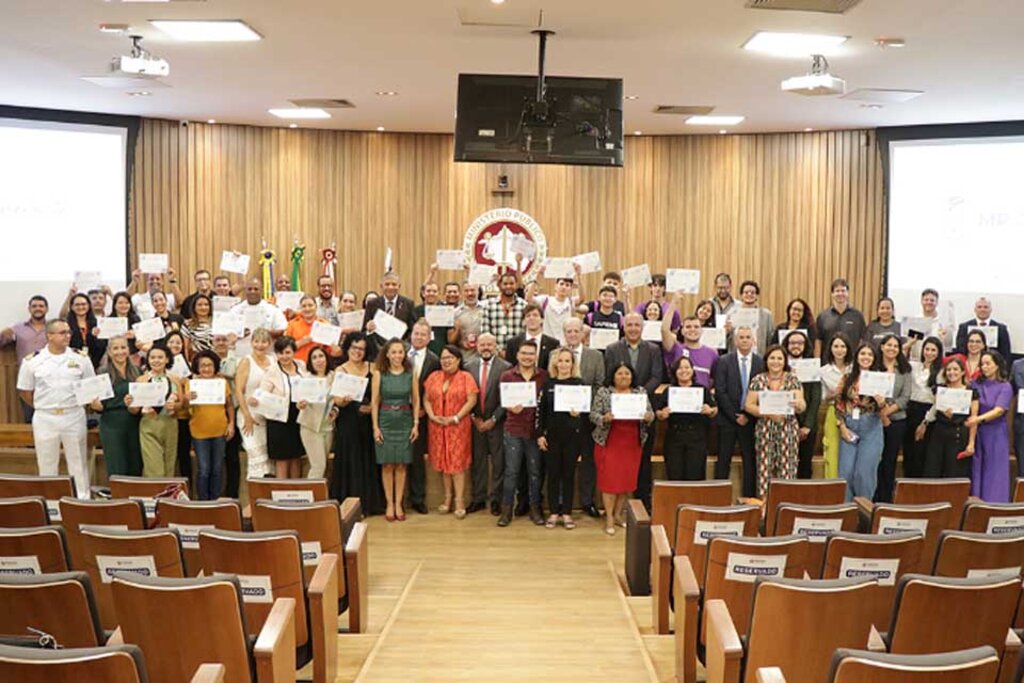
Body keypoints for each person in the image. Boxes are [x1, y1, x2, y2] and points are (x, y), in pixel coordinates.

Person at [16, 319, 96, 497]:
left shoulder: (80, 358)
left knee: (78, 461)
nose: (67, 336)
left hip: (73, 414)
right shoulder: (33, 361)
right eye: (62, 333)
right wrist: (41, 406)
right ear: (49, 336)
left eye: (68, 332)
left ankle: (82, 500)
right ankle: (50, 502)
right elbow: (24, 390)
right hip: (45, 417)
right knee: (47, 462)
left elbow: (90, 386)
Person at [605, 312, 664, 509]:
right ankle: (619, 506)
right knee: (620, 462)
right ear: (624, 326)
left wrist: (637, 394)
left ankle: (643, 501)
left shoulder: (654, 349)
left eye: (636, 325)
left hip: (644, 409)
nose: (632, 328)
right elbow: (608, 377)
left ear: (642, 327)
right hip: (619, 415)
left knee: (644, 459)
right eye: (629, 325)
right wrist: (626, 395)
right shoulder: (612, 349)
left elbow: (657, 376)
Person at [590, 362, 654, 535]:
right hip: (609, 442)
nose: (624, 376)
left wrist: (648, 416)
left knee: (626, 482)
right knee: (610, 482)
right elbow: (593, 415)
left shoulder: (639, 392)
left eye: (627, 373)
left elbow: (651, 414)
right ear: (613, 376)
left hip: (632, 443)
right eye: (619, 373)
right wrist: (604, 418)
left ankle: (618, 515)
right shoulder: (604, 392)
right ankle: (609, 518)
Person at [331, 333, 384, 514]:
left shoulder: (374, 367)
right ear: (347, 348)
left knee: (367, 461)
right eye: (354, 347)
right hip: (348, 422)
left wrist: (372, 408)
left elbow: (379, 396)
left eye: (361, 348)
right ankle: (350, 507)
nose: (357, 352)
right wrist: (344, 401)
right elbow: (337, 401)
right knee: (350, 461)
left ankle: (369, 505)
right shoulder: (340, 370)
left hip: (369, 422)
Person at [423, 345, 478, 519]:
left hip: (458, 426)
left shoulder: (466, 377)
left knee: (457, 463)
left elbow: (472, 400)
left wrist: (456, 417)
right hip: (437, 426)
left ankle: (459, 500)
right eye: (443, 358)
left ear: (458, 360)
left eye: (450, 358)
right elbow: (426, 399)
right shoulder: (433, 377)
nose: (446, 361)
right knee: (443, 462)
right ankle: (447, 498)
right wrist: (432, 416)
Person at [744, 345, 806, 498]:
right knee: (764, 471)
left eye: (779, 358)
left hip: (788, 430)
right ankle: (765, 511)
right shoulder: (758, 379)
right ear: (766, 360)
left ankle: (786, 508)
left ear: (785, 361)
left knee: (788, 470)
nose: (776, 361)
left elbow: (802, 404)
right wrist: (769, 413)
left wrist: (799, 405)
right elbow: (748, 405)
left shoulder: (793, 379)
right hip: (765, 429)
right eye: (772, 358)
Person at [497, 340, 547, 527]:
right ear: (517, 355)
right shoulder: (507, 376)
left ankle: (535, 509)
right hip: (513, 429)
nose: (527, 357)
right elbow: (503, 401)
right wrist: (510, 406)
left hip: (534, 432)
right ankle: (507, 510)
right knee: (511, 472)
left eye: (531, 354)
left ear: (536, 356)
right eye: (524, 353)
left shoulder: (543, 375)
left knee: (535, 472)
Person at [537, 347, 588, 528]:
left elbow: (586, 416)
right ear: (555, 363)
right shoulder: (548, 384)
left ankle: (566, 513)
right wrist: (540, 435)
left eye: (568, 361)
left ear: (573, 364)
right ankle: (553, 513)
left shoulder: (580, 384)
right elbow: (540, 412)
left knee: (568, 475)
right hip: (552, 437)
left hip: (572, 438)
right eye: (561, 360)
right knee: (553, 475)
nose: (564, 364)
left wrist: (578, 414)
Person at [371, 338, 419, 522]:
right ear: (387, 354)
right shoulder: (379, 373)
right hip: (385, 419)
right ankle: (389, 503)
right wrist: (375, 427)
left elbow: (415, 399)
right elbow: (375, 402)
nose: (397, 355)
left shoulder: (410, 373)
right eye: (394, 352)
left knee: (401, 464)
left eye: (400, 352)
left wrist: (415, 424)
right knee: (387, 464)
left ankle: (399, 503)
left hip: (405, 420)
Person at [714, 327, 764, 498]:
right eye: (741, 337)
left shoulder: (761, 362)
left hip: (751, 420)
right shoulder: (724, 361)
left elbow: (762, 393)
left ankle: (749, 499)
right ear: (735, 341)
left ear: (753, 341)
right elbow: (720, 391)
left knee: (750, 462)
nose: (744, 340)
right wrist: (735, 415)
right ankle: (718, 498)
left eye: (748, 337)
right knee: (723, 461)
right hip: (728, 420)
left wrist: (748, 415)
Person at [562, 318, 605, 517]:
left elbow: (599, 385)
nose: (572, 334)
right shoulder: (556, 355)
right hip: (562, 419)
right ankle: (563, 503)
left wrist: (584, 406)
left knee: (589, 460)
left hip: (587, 418)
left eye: (575, 331)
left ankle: (587, 502)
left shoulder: (595, 356)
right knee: (564, 460)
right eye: (568, 331)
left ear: (582, 333)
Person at [465, 333, 511, 514]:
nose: (486, 347)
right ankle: (478, 498)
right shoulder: (468, 367)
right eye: (482, 344)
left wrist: (493, 419)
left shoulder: (506, 368)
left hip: (497, 422)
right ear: (476, 346)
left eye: (489, 344)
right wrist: (474, 418)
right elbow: (465, 395)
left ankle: (496, 500)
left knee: (499, 463)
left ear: (496, 346)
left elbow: (506, 398)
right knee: (478, 463)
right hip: (475, 422)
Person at [835, 343, 885, 501]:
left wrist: (881, 402)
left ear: (874, 359)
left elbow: (886, 411)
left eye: (870, 355)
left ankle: (863, 512)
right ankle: (847, 511)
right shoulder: (846, 378)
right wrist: (842, 427)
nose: (866, 357)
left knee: (864, 474)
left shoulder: (881, 379)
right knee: (846, 472)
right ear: (857, 357)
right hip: (849, 427)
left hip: (871, 428)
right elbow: (838, 404)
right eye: (863, 354)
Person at [653, 356, 717, 481]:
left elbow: (714, 410)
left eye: (687, 367)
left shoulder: (702, 390)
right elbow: (658, 412)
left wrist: (710, 410)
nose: (684, 371)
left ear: (692, 370)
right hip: (674, 438)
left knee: (695, 476)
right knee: (674, 475)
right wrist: (662, 414)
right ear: (675, 372)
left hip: (697, 438)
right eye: (680, 368)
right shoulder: (669, 391)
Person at [184, 350, 234, 500]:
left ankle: (215, 500)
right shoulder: (190, 384)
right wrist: (187, 399)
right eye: (203, 365)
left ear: (215, 366)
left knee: (217, 469)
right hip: (199, 432)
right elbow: (186, 408)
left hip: (220, 431)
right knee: (204, 469)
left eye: (210, 365)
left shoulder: (222, 383)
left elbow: (229, 406)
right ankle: (202, 501)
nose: (206, 368)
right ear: (197, 367)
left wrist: (231, 424)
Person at [92, 337, 143, 478]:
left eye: (123, 347)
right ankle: (119, 499)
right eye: (115, 348)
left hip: (134, 422)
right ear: (109, 352)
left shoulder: (138, 372)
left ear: (128, 350)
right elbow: (98, 405)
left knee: (135, 464)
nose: (120, 351)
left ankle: (134, 499)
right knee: (116, 465)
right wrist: (96, 406)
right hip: (111, 424)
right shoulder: (102, 373)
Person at [257, 336, 306, 479]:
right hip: (279, 418)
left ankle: (297, 494)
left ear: (293, 352)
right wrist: (256, 399)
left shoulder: (301, 366)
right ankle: (281, 495)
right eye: (280, 353)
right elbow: (262, 392)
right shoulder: (271, 371)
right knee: (282, 458)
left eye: (287, 352)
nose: (284, 356)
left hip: (298, 416)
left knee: (296, 457)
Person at [131, 343, 183, 478]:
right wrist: (129, 404)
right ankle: (151, 497)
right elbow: (134, 410)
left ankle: (166, 498)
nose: (156, 360)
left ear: (167, 359)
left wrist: (175, 406)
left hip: (170, 424)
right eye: (152, 357)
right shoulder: (141, 380)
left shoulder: (175, 380)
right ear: (148, 360)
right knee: (154, 468)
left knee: (169, 466)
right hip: (149, 425)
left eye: (160, 357)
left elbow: (181, 404)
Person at [921, 357, 978, 479]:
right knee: (932, 470)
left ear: (963, 372)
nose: (952, 372)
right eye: (949, 370)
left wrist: (971, 443)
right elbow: (935, 409)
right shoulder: (940, 389)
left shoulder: (971, 391)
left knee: (955, 473)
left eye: (956, 369)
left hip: (958, 435)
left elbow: (974, 419)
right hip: (939, 434)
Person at [873, 334, 913, 503]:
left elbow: (905, 397)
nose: (892, 348)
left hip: (897, 421)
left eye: (895, 346)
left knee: (889, 461)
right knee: (874, 460)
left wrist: (887, 412)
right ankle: (871, 496)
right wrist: (881, 414)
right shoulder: (873, 367)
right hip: (874, 420)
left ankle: (886, 499)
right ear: (882, 346)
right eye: (888, 345)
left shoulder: (904, 369)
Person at [969, 351, 1012, 501]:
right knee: (976, 470)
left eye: (988, 364)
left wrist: (978, 419)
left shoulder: (1005, 386)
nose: (984, 367)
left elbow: (999, 410)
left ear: (997, 365)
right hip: (977, 433)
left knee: (994, 471)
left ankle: (995, 505)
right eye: (982, 364)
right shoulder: (975, 384)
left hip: (995, 433)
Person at [407, 319, 440, 514]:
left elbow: (434, 389)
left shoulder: (434, 360)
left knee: (417, 458)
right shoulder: (398, 353)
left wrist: (423, 410)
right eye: (416, 333)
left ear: (429, 338)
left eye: (423, 334)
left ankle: (417, 498)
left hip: (421, 415)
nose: (419, 337)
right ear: (411, 334)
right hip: (397, 413)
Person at [1, 295, 50, 422]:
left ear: (47, 309)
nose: (37, 308)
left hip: (50, 376)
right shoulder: (18, 328)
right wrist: (2, 334)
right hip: (26, 377)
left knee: (49, 415)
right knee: (30, 417)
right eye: (34, 306)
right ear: (29, 309)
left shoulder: (53, 327)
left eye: (41, 306)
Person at [233, 328, 274, 480]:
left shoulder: (273, 361)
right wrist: (247, 416)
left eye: (264, 341)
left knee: (268, 460)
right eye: (256, 341)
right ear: (251, 343)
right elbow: (238, 390)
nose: (260, 345)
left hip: (267, 416)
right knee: (255, 456)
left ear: (269, 343)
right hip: (248, 415)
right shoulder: (246, 361)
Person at [782, 331, 821, 479]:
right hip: (784, 423)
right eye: (792, 343)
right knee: (786, 463)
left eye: (800, 343)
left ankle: (804, 500)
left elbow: (816, 398)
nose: (796, 346)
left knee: (805, 464)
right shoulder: (779, 363)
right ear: (786, 345)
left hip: (807, 424)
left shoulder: (812, 365)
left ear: (805, 345)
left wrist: (807, 426)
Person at [904, 336, 943, 478]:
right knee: (909, 452)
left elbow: (938, 400)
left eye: (933, 350)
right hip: (911, 411)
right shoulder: (914, 366)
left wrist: (926, 421)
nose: (929, 353)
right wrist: (909, 344)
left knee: (923, 454)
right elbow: (899, 360)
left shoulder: (941, 372)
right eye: (927, 349)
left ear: (939, 353)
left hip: (929, 414)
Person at [661, 294, 718, 389]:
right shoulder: (675, 348)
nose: (692, 329)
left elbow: (713, 379)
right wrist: (673, 303)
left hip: (702, 400)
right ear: (682, 331)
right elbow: (664, 330)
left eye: (696, 327)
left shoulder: (712, 353)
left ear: (702, 330)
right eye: (688, 327)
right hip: (678, 398)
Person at [298, 346, 336, 479]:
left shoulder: (333, 376)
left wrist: (335, 410)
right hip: (310, 427)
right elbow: (299, 402)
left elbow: (336, 401)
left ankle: (319, 496)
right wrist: (301, 404)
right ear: (310, 362)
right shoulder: (306, 379)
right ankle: (310, 498)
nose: (318, 360)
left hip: (327, 427)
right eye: (314, 357)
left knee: (323, 466)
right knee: (318, 466)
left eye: (321, 356)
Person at [211, 332, 242, 496]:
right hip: (212, 411)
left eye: (224, 340)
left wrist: (224, 376)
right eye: (218, 340)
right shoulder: (207, 360)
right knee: (215, 457)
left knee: (232, 455)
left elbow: (240, 380)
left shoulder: (236, 361)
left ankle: (232, 493)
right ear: (212, 342)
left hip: (233, 409)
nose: (221, 343)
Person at [819, 333, 853, 479]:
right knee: (832, 452)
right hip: (833, 411)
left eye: (843, 346)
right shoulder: (823, 371)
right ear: (830, 349)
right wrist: (836, 393)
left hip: (853, 412)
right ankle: (832, 489)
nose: (839, 350)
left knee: (850, 452)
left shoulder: (855, 368)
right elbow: (823, 397)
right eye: (836, 346)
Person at [526, 261, 582, 343]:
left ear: (570, 288)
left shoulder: (570, 301)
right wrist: (538, 277)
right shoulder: (545, 300)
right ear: (556, 286)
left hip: (565, 343)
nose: (564, 287)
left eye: (567, 285)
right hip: (547, 342)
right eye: (561, 284)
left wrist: (579, 276)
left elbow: (582, 298)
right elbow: (529, 298)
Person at [815, 278, 866, 361]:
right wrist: (816, 362)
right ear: (832, 294)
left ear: (848, 293)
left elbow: (862, 340)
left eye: (843, 291)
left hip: (851, 363)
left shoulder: (858, 316)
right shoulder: (823, 316)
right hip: (828, 364)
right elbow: (818, 342)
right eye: (837, 291)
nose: (840, 293)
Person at [363, 271, 416, 344]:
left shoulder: (408, 304)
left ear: (399, 286)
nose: (390, 287)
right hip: (377, 348)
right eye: (387, 284)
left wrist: (404, 345)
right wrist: (368, 329)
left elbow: (412, 330)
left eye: (394, 284)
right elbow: (364, 330)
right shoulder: (372, 304)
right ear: (381, 286)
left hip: (401, 349)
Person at [505, 303, 559, 371]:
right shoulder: (512, 343)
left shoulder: (553, 344)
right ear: (523, 321)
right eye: (528, 316)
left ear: (542, 320)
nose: (531, 318)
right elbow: (510, 369)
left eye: (535, 315)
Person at [481, 271, 527, 350]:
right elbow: (485, 332)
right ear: (499, 285)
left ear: (516, 285)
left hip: (518, 352)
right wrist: (498, 351)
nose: (508, 286)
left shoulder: (524, 306)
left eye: (511, 283)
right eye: (505, 284)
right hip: (495, 353)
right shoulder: (489, 305)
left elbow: (526, 332)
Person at [956, 297, 1011, 361]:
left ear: (990, 310)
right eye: (979, 307)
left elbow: (1005, 354)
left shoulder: (1001, 329)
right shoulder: (964, 327)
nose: (982, 309)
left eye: (985, 307)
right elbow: (960, 351)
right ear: (975, 309)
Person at [727, 280, 773, 354]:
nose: (749, 294)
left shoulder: (766, 314)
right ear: (741, 295)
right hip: (736, 354)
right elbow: (728, 338)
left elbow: (770, 337)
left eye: (752, 292)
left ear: (757, 296)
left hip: (759, 354)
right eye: (746, 292)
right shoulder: (732, 313)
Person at [285, 295, 328, 365]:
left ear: (316, 307)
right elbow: (285, 349)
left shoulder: (325, 325)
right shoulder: (292, 324)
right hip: (297, 366)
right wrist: (301, 342)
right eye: (304, 306)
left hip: (319, 366)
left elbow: (330, 351)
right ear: (300, 308)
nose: (307, 309)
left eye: (310, 305)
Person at [449, 281, 484, 363]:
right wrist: (461, 342)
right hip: (464, 358)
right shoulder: (455, 313)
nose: (470, 293)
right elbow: (450, 340)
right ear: (462, 293)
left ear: (478, 291)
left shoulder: (487, 309)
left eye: (472, 290)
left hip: (483, 357)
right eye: (466, 291)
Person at [67, 292, 103, 368]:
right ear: (72, 307)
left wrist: (93, 336)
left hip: (94, 364)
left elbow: (102, 347)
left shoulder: (97, 324)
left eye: (83, 304)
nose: (81, 307)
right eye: (77, 305)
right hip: (72, 364)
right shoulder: (66, 325)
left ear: (89, 306)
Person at [412, 280, 449, 355]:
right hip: (420, 351)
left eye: (434, 291)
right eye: (428, 291)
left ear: (439, 293)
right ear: (423, 293)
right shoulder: (416, 311)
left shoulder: (446, 311)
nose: (431, 293)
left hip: (440, 350)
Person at [182, 293, 214, 360]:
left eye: (206, 305)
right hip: (197, 361)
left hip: (215, 359)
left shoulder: (217, 322)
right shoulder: (187, 324)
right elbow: (185, 348)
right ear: (194, 307)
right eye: (199, 305)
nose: (203, 307)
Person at [109, 292, 141, 357]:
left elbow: (143, 337)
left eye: (127, 303)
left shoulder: (136, 319)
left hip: (132, 353)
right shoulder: (108, 320)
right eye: (120, 303)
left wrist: (136, 334)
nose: (124, 305)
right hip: (113, 354)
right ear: (114, 305)